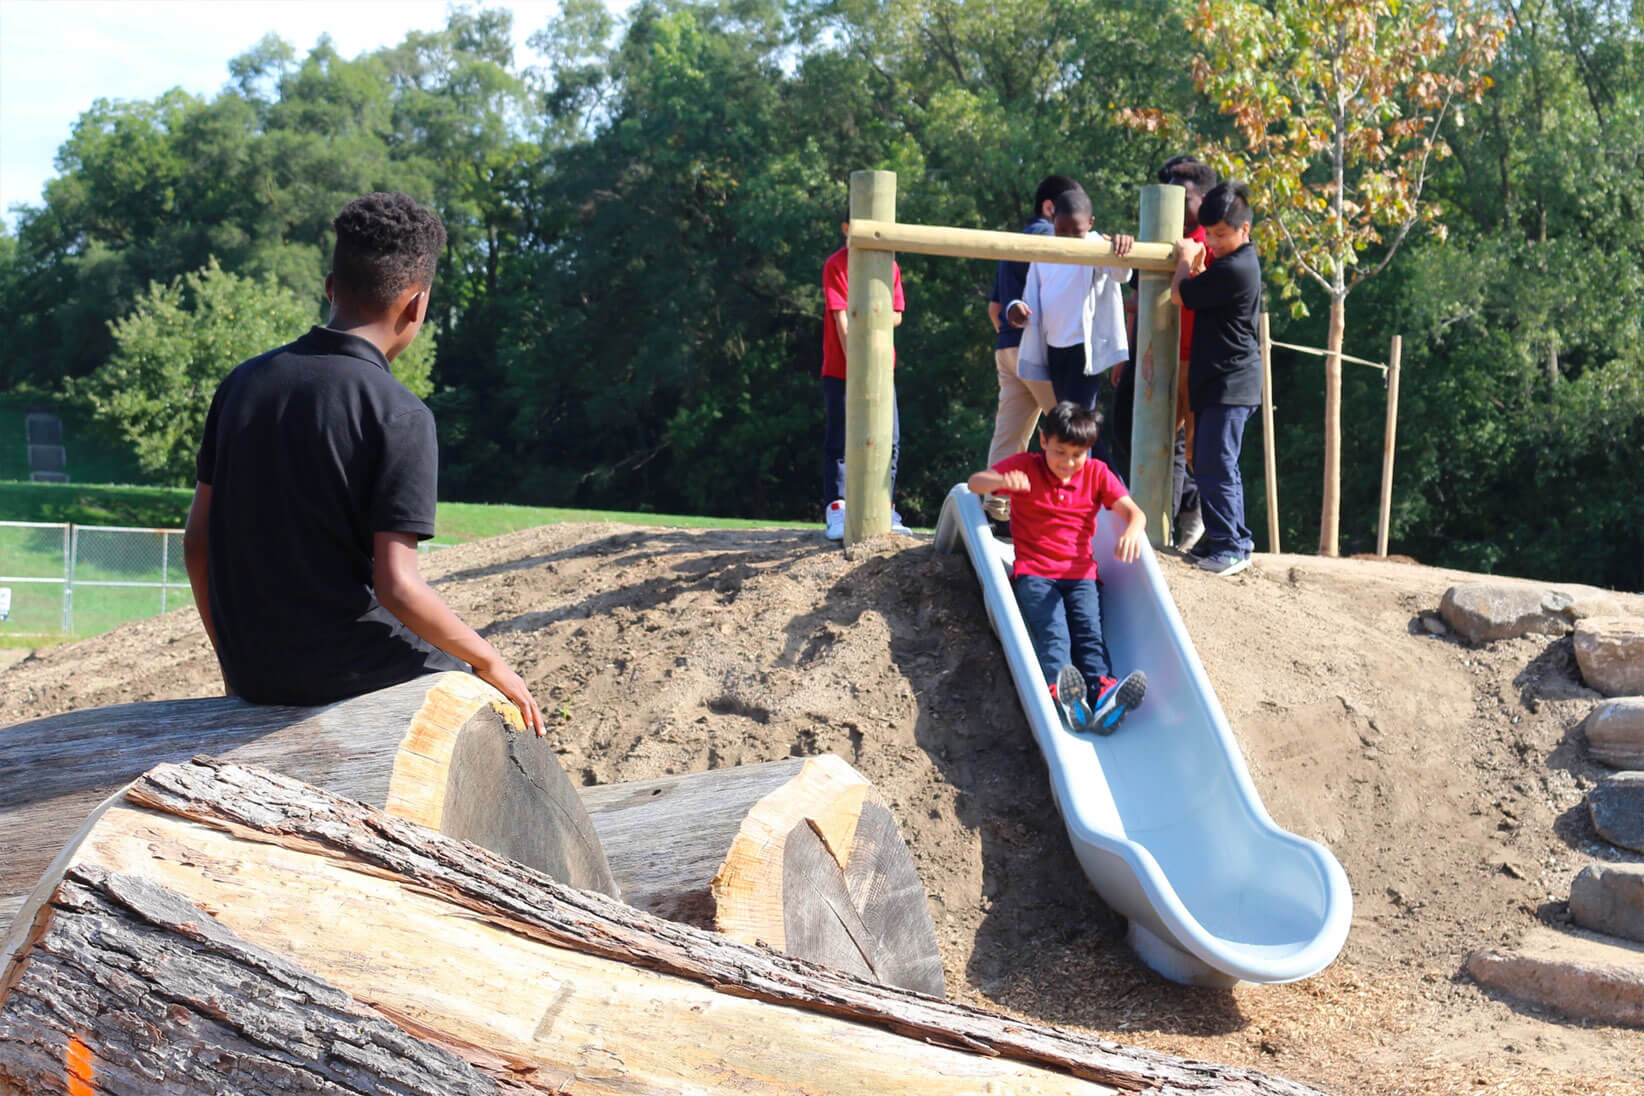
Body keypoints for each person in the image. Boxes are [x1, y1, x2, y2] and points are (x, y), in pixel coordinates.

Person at [184, 191, 544, 733]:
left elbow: (196, 545)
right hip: (343, 670)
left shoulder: (241, 384)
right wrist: (489, 661)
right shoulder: (399, 413)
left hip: (253, 670)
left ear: (331, 288)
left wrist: (235, 664)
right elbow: (399, 587)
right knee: (484, 703)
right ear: (417, 304)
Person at [967, 401, 1148, 734]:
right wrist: (1001, 479)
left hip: (1082, 576)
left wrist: (1133, 532)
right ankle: (1065, 694)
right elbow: (975, 482)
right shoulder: (1026, 466)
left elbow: (1135, 514)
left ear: (1088, 451)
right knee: (1055, 635)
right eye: (1059, 452)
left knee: (1090, 636)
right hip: (1035, 575)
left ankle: (1103, 694)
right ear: (1043, 441)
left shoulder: (1097, 474)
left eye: (1077, 455)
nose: (1067, 463)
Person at [1113, 156, 1218, 551]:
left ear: (1203, 200)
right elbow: (1141, 293)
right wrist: (1125, 351)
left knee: (1180, 443)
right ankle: (1177, 510)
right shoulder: (1158, 234)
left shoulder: (1210, 243)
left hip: (1190, 355)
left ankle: (1168, 525)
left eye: (1182, 195)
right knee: (1127, 428)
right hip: (1148, 349)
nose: (1173, 203)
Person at [1172, 180, 1263, 577]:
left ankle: (1231, 546)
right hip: (1221, 381)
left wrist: (1184, 258)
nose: (1212, 240)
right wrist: (1199, 262)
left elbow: (1181, 295)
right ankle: (1226, 538)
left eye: (1221, 234)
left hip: (1231, 382)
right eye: (1208, 234)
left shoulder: (1237, 266)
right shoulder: (1230, 265)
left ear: (1245, 230)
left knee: (1216, 464)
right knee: (1211, 462)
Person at [1004, 188, 1133, 469]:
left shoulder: (1097, 244)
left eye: (1076, 231)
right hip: (1054, 350)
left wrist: (1121, 248)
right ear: (1053, 224)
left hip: (1084, 352)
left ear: (1091, 224)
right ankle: (1096, 492)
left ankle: (1114, 492)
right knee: (1071, 426)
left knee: (1077, 426)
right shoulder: (1045, 248)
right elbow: (1029, 298)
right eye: (1062, 230)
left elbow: (1121, 274)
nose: (1069, 238)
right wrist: (1016, 309)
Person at [981, 173, 1079, 525]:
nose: (1076, 226)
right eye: (1071, 215)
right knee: (1073, 430)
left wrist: (1012, 336)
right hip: (1033, 348)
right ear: (1050, 208)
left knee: (1010, 432)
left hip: (1007, 346)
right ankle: (1071, 510)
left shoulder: (1014, 241)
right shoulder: (1045, 235)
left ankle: (996, 508)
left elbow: (994, 308)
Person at [820, 220, 908, 540]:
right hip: (842, 370)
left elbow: (897, 312)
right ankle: (838, 510)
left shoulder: (890, 265)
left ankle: (885, 507)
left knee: (890, 441)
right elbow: (841, 317)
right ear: (846, 227)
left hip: (883, 370)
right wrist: (858, 365)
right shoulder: (836, 265)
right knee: (840, 441)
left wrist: (874, 310)